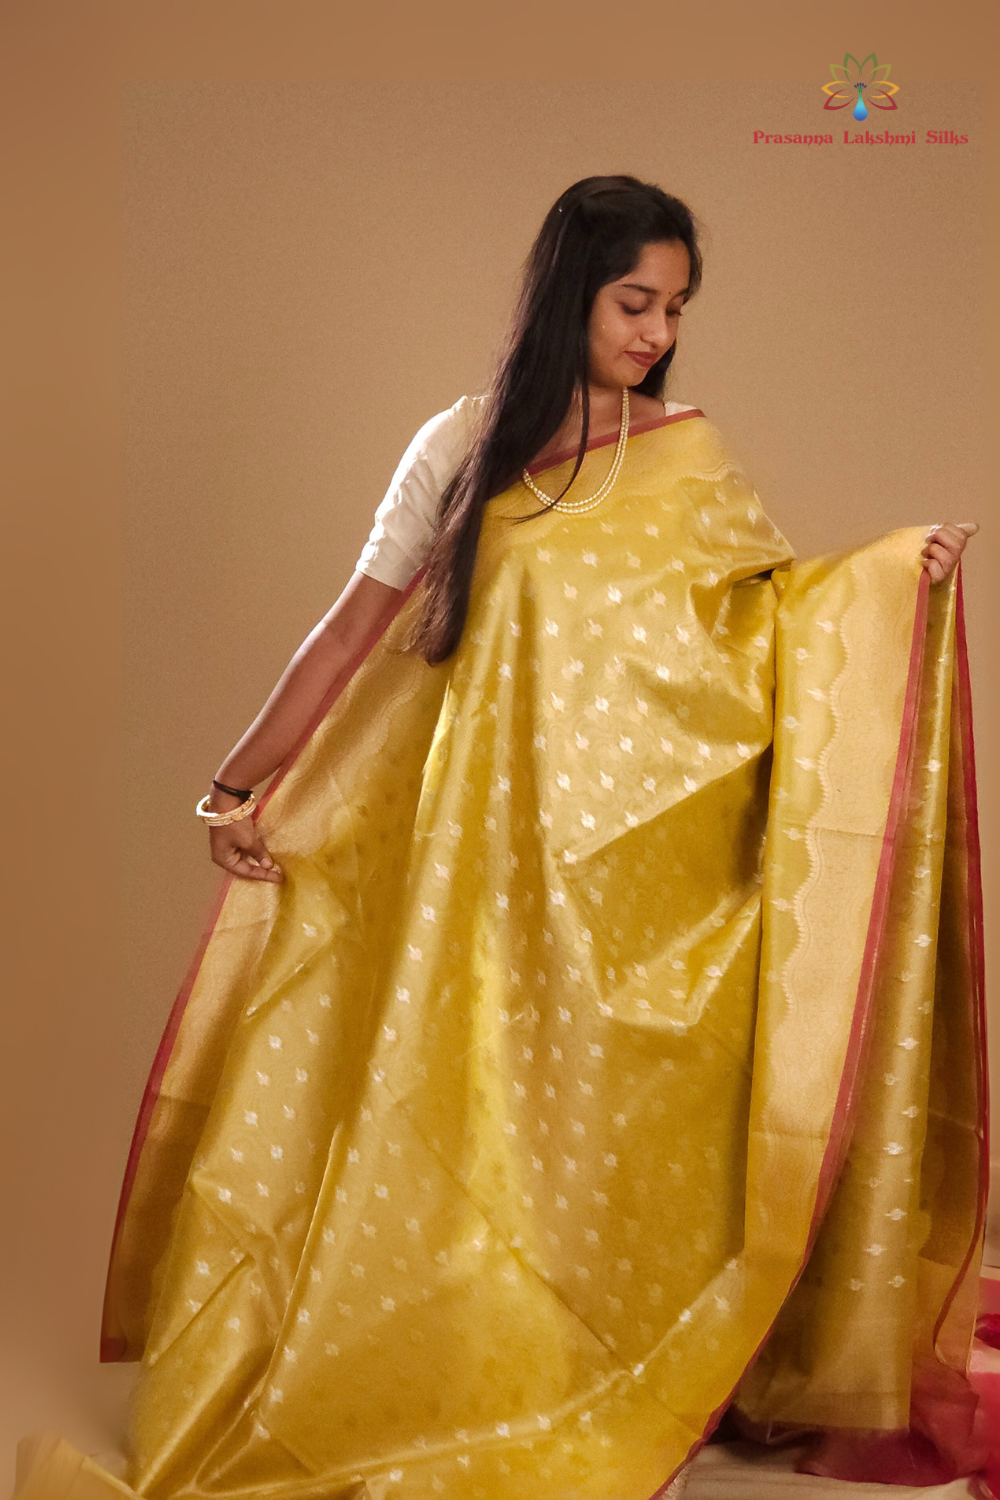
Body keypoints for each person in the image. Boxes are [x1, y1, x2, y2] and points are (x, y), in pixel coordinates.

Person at [15, 177, 987, 1500]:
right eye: (633, 302)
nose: (655, 333)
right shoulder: (466, 443)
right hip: (473, 865)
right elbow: (354, 629)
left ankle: (614, 1378)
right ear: (571, 292)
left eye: (675, 309)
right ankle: (460, 1370)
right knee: (462, 1120)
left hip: (637, 881)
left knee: (607, 1137)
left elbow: (764, 625)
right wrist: (233, 785)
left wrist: (882, 580)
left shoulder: (686, 455)